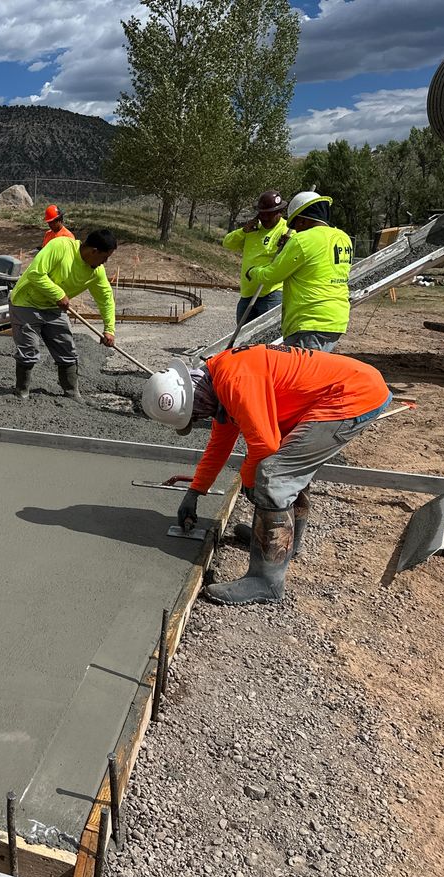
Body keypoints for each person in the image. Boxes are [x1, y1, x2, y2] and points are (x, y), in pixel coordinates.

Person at [141, 344, 391, 606]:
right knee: (287, 464)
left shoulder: (234, 381)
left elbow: (265, 446)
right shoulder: (219, 380)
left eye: (196, 415)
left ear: (197, 399)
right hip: (349, 388)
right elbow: (219, 446)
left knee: (274, 474)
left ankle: (265, 582)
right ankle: (282, 544)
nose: (200, 419)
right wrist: (195, 491)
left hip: (351, 395)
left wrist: (250, 482)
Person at [8, 229, 118, 401]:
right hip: (26, 303)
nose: (105, 262)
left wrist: (109, 329)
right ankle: (21, 391)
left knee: (67, 350)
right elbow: (35, 273)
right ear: (93, 251)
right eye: (105, 257)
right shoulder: (60, 246)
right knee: (29, 350)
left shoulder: (96, 271)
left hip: (54, 308)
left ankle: (72, 392)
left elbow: (106, 299)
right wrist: (58, 294)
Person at [244, 191, 353, 352]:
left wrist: (252, 271)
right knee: (313, 365)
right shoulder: (343, 238)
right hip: (336, 318)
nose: (296, 230)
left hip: (310, 319)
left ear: (302, 220)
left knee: (300, 368)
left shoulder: (302, 239)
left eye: (295, 226)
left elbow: (272, 275)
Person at [222, 190, 288, 326]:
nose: (265, 218)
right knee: (243, 334)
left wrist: (289, 244)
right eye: (262, 214)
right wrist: (243, 231)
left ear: (279, 212)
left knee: (268, 334)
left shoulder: (287, 231)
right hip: (248, 293)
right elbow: (227, 243)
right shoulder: (252, 229)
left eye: (269, 214)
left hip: (272, 293)